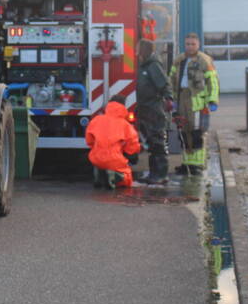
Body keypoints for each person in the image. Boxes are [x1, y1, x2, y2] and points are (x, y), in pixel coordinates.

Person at [168, 33, 219, 175]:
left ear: (198, 45)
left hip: (197, 102)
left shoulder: (204, 61)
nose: (190, 47)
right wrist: (171, 99)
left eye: (193, 44)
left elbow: (212, 82)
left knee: (197, 133)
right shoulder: (179, 60)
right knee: (184, 132)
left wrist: (212, 100)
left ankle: (197, 165)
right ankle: (186, 164)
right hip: (181, 99)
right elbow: (171, 80)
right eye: (188, 44)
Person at [135, 38, 172, 185]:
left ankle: (161, 174)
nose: (135, 50)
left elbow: (163, 84)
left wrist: (168, 99)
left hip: (153, 109)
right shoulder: (144, 66)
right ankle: (153, 173)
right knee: (151, 142)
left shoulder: (152, 66)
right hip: (146, 108)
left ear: (143, 49)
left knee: (157, 142)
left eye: (138, 47)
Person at [85, 95, 141, 189]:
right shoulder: (125, 125)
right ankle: (114, 176)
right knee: (127, 178)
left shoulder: (96, 120)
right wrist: (131, 156)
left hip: (96, 158)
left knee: (100, 163)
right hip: (114, 159)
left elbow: (89, 141)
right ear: (123, 106)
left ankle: (99, 173)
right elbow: (132, 148)